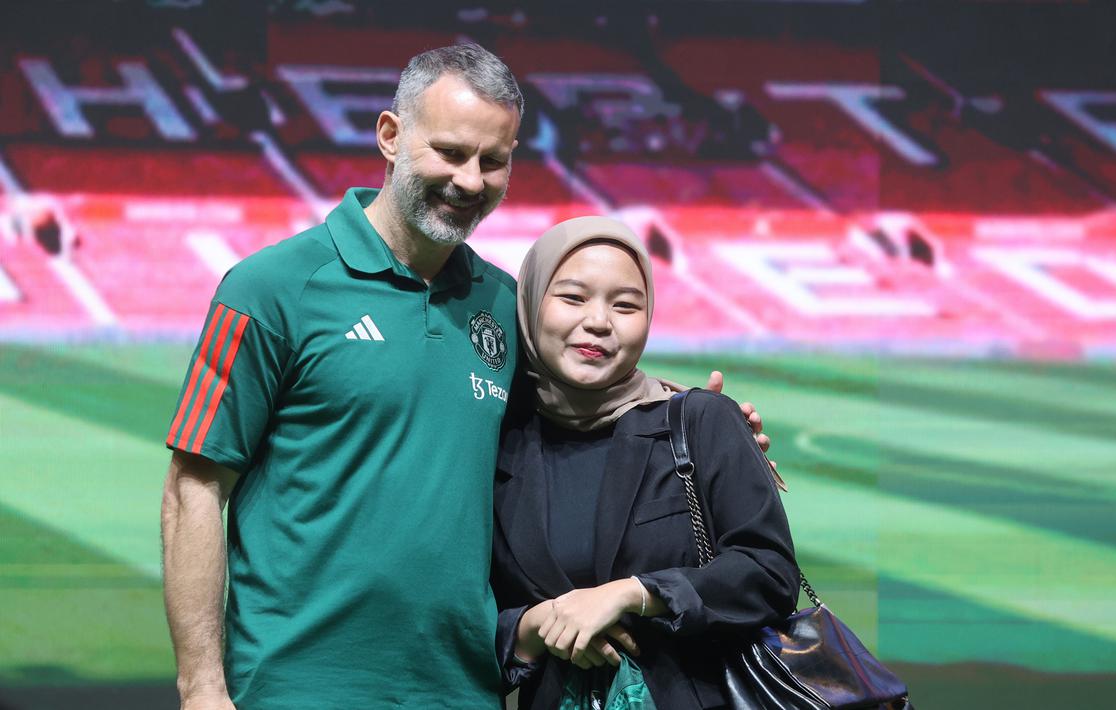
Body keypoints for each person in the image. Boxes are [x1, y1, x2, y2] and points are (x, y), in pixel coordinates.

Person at [160, 44, 773, 709]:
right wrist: (201, 688)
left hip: (462, 689)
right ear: (390, 137)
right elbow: (193, 489)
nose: (470, 181)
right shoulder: (271, 287)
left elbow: (582, 407)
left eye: (494, 160)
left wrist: (704, 427)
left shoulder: (501, 305)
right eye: (450, 153)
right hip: (299, 686)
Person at [491, 216, 799, 709]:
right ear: (530, 306)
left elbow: (769, 574)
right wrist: (533, 627)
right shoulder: (495, 440)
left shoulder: (701, 420)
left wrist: (634, 593)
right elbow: (462, 610)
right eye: (572, 298)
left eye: (626, 305)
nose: (599, 321)